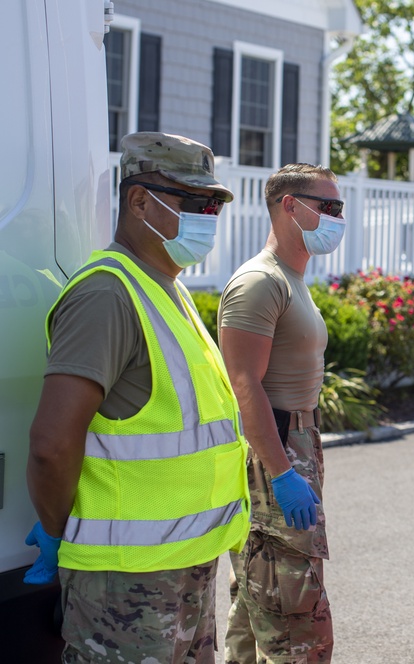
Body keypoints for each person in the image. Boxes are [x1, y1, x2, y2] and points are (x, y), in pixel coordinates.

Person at [24, 132, 251, 662]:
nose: (209, 216)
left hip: (182, 570)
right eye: (194, 202)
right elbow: (51, 445)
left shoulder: (166, 285)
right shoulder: (107, 293)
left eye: (214, 204)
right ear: (139, 201)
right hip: (124, 584)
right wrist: (57, 532)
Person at [219, 163, 347, 663]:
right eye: (328, 206)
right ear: (289, 206)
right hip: (274, 448)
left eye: (340, 207)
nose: (337, 217)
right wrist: (280, 472)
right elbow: (244, 383)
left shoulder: (291, 278)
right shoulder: (259, 281)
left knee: (258, 603)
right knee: (297, 623)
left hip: (297, 443)